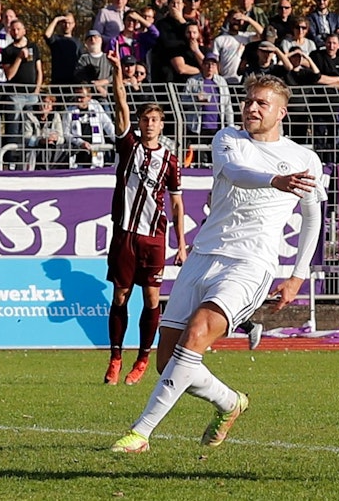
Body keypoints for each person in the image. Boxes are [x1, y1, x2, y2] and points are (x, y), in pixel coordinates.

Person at [109, 75, 323, 454]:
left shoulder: (304, 159)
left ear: (281, 112)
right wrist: (276, 180)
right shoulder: (228, 138)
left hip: (250, 262)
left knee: (196, 335)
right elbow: (236, 174)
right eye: (249, 101)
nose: (252, 108)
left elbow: (312, 217)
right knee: (167, 362)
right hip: (203, 256)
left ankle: (140, 433)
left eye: (262, 103)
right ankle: (229, 402)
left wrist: (298, 274)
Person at [101, 67, 188, 386]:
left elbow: (177, 203)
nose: (150, 124)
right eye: (145, 119)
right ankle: (115, 358)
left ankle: (141, 360)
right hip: (125, 234)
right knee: (120, 295)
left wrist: (180, 244)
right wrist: (117, 72)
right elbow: (120, 101)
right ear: (139, 123)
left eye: (155, 120)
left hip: (154, 238)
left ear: (162, 125)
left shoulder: (170, 161)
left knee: (152, 299)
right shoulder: (129, 146)